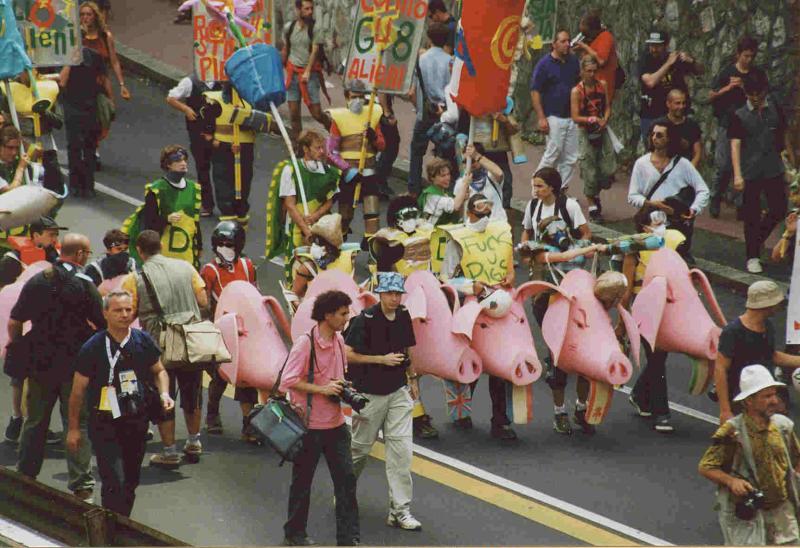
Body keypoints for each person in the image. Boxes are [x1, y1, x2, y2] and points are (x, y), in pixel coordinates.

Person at [12, 233, 105, 502]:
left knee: (35, 422)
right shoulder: (86, 284)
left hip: (40, 364)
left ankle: (25, 477)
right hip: (74, 367)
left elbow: (15, 321)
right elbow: (101, 326)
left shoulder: (38, 280)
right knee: (76, 423)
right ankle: (82, 487)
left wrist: (18, 348)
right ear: (79, 255)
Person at [67, 290, 174, 516]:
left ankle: (120, 523)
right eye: (118, 310)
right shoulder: (93, 346)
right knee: (114, 481)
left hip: (136, 420)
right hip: (104, 422)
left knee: (130, 483)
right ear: (105, 313)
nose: (124, 315)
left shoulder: (142, 340)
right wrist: (74, 429)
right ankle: (110, 529)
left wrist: (164, 394)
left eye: (128, 310)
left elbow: (160, 371)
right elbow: (77, 392)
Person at [519, 168, 599, 435]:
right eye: (534, 186)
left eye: (540, 186)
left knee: (583, 349)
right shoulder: (533, 206)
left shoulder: (570, 206)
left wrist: (572, 248)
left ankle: (581, 407)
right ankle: (559, 412)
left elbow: (587, 234)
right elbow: (526, 235)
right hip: (546, 283)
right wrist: (528, 252)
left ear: (552, 187)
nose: (536, 191)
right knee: (558, 351)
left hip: (572, 280)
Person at [121, 230, 208, 468]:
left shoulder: (135, 278)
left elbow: (126, 313)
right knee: (193, 393)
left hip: (158, 346)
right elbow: (203, 301)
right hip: (190, 341)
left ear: (139, 251)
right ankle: (193, 441)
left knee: (164, 396)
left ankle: (169, 452)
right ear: (161, 246)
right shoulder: (187, 267)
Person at [280, 290, 360, 547]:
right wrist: (323, 389)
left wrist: (344, 387)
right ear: (328, 315)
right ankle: (295, 533)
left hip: (336, 425)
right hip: (310, 427)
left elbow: (336, 375)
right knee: (302, 482)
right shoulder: (306, 344)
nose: (348, 318)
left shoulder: (338, 340)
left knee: (346, 481)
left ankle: (348, 539)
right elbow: (288, 380)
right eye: (343, 313)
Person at [345, 272, 422, 531]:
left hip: (398, 390)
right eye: (390, 293)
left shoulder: (403, 316)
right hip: (369, 394)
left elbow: (407, 350)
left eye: (398, 293)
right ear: (380, 294)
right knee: (359, 451)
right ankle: (344, 492)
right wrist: (380, 359)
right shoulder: (364, 319)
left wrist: (412, 379)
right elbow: (348, 355)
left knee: (401, 453)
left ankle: (400, 510)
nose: (394, 298)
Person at [438, 194, 517, 440]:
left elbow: (508, 265)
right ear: (470, 213)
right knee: (470, 359)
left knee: (501, 362)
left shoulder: (499, 234)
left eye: (487, 214)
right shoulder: (457, 239)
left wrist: (510, 277)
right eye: (480, 213)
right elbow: (445, 278)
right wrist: (470, 286)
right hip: (472, 306)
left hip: (500, 304)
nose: (484, 218)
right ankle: (461, 410)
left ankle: (501, 420)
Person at [699, 364, 800, 546]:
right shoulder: (732, 431)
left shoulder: (783, 426)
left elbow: (797, 459)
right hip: (751, 517)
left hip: (782, 513)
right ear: (748, 401)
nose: (774, 401)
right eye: (766, 396)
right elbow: (706, 466)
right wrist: (732, 482)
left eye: (774, 394)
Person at [368, 197, 438, 439]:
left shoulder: (428, 231)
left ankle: (461, 411)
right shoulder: (384, 238)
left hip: (430, 302)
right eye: (405, 215)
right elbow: (383, 277)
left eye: (413, 214)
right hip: (399, 306)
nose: (411, 219)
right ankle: (416, 415)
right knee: (405, 363)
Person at [620, 205, 686, 432]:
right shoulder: (634, 248)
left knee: (660, 356)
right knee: (656, 358)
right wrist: (623, 321)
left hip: (667, 305)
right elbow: (627, 288)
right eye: (656, 223)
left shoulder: (673, 244)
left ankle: (640, 394)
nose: (661, 227)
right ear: (644, 227)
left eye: (662, 222)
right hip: (644, 305)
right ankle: (662, 413)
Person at [200, 221, 260, 441]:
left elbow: (256, 297)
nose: (226, 247)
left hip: (246, 332)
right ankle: (212, 413)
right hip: (221, 331)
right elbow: (203, 304)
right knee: (220, 376)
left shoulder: (247, 266)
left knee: (248, 378)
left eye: (230, 244)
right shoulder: (209, 271)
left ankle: (248, 424)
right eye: (222, 244)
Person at [729, 72, 791, 274]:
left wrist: (790, 164)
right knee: (751, 215)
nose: (755, 98)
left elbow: (784, 136)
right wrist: (737, 174)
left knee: (779, 209)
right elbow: (735, 145)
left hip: (773, 168)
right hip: (750, 171)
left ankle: (756, 241)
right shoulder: (738, 115)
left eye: (759, 94)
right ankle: (752, 256)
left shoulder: (774, 109)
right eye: (751, 94)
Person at [715, 281, 800, 425]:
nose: (780, 307)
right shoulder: (733, 332)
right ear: (767, 305)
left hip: (768, 394)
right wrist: (725, 410)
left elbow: (771, 356)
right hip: (744, 397)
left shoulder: (767, 326)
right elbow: (720, 369)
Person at [628, 120, 709, 261]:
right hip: (650, 223)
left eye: (659, 135)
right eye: (652, 134)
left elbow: (703, 190)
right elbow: (632, 196)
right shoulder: (641, 164)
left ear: (670, 138)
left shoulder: (683, 164)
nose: (654, 138)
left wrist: (694, 209)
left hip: (676, 223)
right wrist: (652, 204)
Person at [708, 36, 765, 218]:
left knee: (746, 165)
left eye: (751, 56)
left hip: (748, 124)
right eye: (745, 56)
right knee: (724, 165)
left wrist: (745, 88)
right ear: (738, 54)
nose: (748, 60)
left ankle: (742, 204)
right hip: (727, 122)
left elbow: (763, 95)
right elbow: (711, 96)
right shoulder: (727, 72)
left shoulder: (757, 74)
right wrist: (728, 87)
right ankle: (715, 198)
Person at [122, 145, 202, 269]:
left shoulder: (193, 188)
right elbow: (149, 224)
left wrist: (199, 246)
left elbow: (195, 222)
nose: (183, 163)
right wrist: (166, 219)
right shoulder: (156, 190)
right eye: (178, 161)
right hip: (162, 255)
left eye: (185, 160)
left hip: (186, 254)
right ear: (168, 165)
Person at [326, 81, 385, 238]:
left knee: (372, 215)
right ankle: (339, 251)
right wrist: (347, 169)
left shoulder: (373, 114)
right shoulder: (339, 118)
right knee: (344, 216)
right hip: (348, 174)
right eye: (354, 97)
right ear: (347, 97)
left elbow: (382, 145)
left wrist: (374, 138)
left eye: (361, 97)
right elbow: (331, 152)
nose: (357, 100)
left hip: (369, 170)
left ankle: (373, 256)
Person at [530, 30, 580, 189]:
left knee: (571, 158)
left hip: (572, 117)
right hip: (554, 116)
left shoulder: (573, 61)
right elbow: (535, 90)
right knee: (552, 155)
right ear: (554, 44)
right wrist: (541, 117)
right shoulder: (545, 64)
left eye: (568, 41)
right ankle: (536, 187)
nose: (567, 44)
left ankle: (559, 190)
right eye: (563, 41)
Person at [407, 22, 453, 196]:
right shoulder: (450, 61)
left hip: (425, 112)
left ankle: (414, 189)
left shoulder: (421, 59)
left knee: (417, 152)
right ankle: (443, 189)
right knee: (444, 153)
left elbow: (412, 92)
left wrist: (419, 108)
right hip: (445, 113)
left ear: (429, 38)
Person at [166, 75, 222, 217]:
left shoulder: (223, 83)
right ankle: (207, 204)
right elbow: (171, 98)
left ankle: (226, 205)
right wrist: (186, 109)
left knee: (221, 169)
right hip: (198, 133)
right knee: (202, 168)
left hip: (219, 134)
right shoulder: (190, 82)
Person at [636, 28, 703, 142]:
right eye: (651, 45)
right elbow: (650, 82)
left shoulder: (674, 58)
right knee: (654, 148)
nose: (654, 49)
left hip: (676, 115)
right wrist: (668, 64)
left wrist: (691, 61)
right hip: (652, 114)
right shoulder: (645, 60)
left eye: (657, 46)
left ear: (666, 45)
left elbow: (700, 71)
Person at [570, 55, 615, 222]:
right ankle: (592, 205)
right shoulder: (576, 91)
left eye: (594, 71)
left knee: (608, 168)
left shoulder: (602, 85)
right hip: (585, 132)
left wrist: (604, 120)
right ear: (582, 71)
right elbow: (575, 117)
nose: (592, 74)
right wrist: (590, 119)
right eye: (588, 71)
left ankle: (595, 192)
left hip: (601, 130)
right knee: (589, 169)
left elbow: (608, 107)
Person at [277, 130, 340, 250]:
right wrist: (307, 232)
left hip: (321, 226)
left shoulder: (329, 171)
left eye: (323, 147)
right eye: (317, 148)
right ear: (306, 149)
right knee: (296, 265)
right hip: (296, 228)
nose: (322, 151)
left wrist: (315, 216)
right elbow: (289, 205)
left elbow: (330, 200)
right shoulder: (290, 170)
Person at [79, 1, 130, 148]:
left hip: (101, 84)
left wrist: (122, 84)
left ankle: (93, 146)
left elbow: (114, 61)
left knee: (104, 117)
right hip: (81, 84)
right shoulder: (77, 37)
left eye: (88, 14)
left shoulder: (105, 36)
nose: (85, 18)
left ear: (95, 16)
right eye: (82, 14)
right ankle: (90, 149)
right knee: (85, 119)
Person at [206, 83, 257, 225]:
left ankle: (241, 209)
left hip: (245, 148)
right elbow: (206, 131)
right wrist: (225, 146)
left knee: (244, 180)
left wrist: (245, 118)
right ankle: (227, 210)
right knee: (223, 178)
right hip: (222, 148)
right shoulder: (214, 102)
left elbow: (261, 126)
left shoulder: (251, 102)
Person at [59, 47, 104, 197]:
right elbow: (102, 80)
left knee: (79, 148)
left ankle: (78, 186)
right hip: (85, 108)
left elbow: (62, 82)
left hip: (79, 108)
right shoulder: (93, 56)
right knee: (83, 148)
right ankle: (86, 186)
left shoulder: (91, 56)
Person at [283, 0, 329, 143]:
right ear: (298, 9)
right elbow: (286, 48)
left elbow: (315, 51)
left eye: (311, 8)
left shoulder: (315, 28)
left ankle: (333, 128)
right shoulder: (289, 27)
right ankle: (299, 147)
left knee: (316, 114)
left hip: (310, 75)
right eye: (306, 8)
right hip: (293, 73)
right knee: (294, 114)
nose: (310, 12)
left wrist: (307, 71)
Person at [287, 214, 358, 306]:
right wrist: (304, 311)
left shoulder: (348, 259)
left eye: (319, 242)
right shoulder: (307, 267)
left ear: (331, 247)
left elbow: (354, 289)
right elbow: (294, 294)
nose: (315, 245)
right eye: (314, 240)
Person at [0, 216, 63, 287]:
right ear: (36, 235)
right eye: (51, 235)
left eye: (56, 235)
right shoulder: (13, 259)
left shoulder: (59, 254)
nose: (55, 239)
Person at [572, 11, 620, 103]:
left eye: (586, 33)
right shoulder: (594, 39)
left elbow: (601, 60)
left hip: (601, 91)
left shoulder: (605, 37)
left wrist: (585, 47)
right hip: (589, 89)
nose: (586, 36)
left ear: (593, 30)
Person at [452, 144, 506, 223]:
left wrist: (476, 155)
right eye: (465, 161)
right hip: (474, 228)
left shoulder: (491, 176)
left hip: (496, 225)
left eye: (472, 160)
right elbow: (458, 210)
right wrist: (463, 197)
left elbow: (499, 173)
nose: (469, 164)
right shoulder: (461, 183)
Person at [655, 89, 702, 167]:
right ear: (668, 104)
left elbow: (697, 153)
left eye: (683, 103)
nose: (681, 106)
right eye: (677, 103)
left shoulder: (692, 125)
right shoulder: (658, 125)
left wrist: (689, 170)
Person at [417, 158, 469, 226]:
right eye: (443, 176)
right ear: (432, 177)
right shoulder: (432, 196)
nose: (447, 178)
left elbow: (458, 211)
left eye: (448, 174)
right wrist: (465, 184)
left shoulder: (446, 193)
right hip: (431, 233)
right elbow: (455, 206)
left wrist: (462, 199)